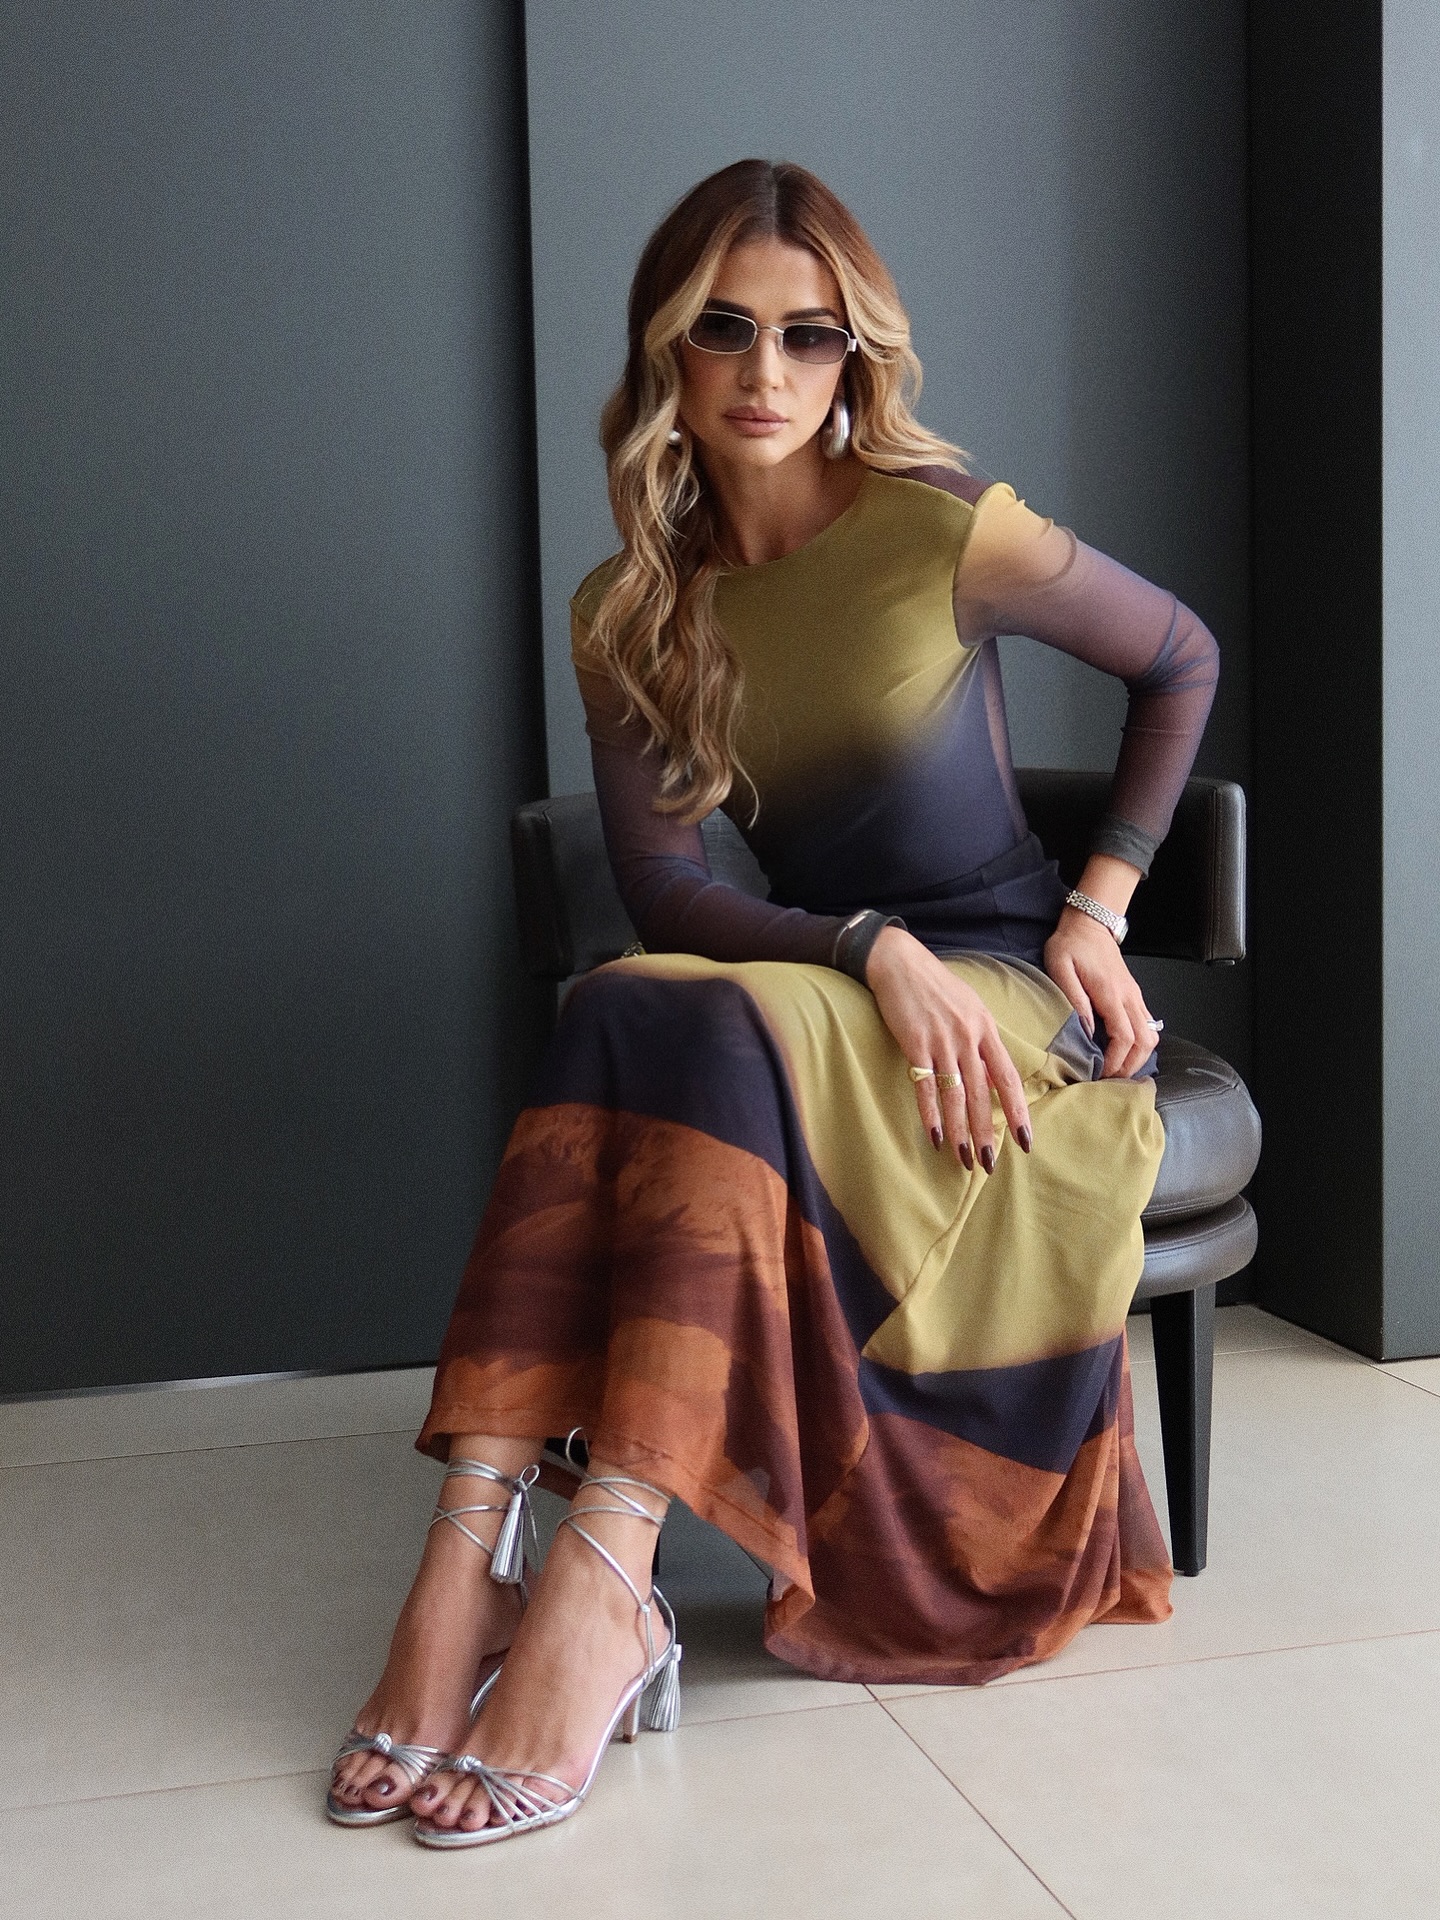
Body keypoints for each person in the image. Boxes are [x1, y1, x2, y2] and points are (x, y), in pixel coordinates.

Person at [326, 158, 1219, 1848]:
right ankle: (467, 1558)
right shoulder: (630, 607)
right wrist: (864, 946)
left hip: (1001, 992)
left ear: (855, 353)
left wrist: (1100, 906)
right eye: (724, 328)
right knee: (631, 994)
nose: (767, 370)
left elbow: (1182, 657)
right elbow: (667, 890)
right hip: (844, 973)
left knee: (703, 1016)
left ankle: (597, 1580)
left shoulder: (943, 526)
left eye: (810, 335)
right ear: (666, 345)